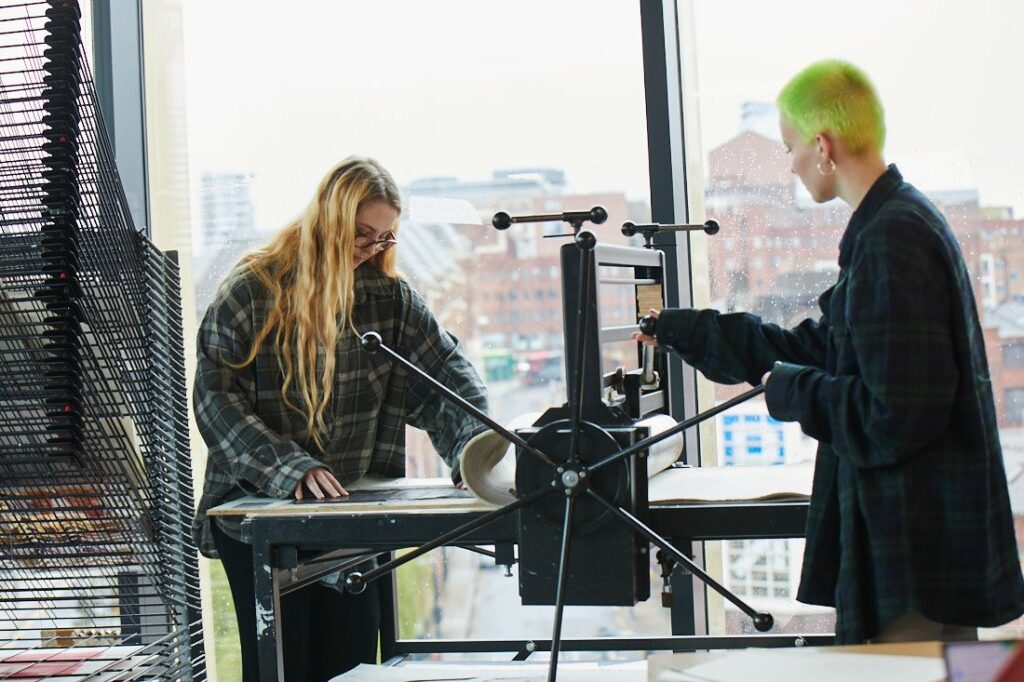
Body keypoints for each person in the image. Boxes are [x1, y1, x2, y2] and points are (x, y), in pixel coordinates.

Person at [635, 60, 1024, 644]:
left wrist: (790, 390)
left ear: (822, 146)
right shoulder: (891, 226)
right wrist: (682, 330)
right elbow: (816, 348)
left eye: (791, 146)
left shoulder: (892, 238)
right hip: (920, 546)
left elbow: (895, 415)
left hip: (913, 555)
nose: (789, 163)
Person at [191, 157, 488, 681]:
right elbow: (215, 401)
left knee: (353, 665)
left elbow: (446, 377)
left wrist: (476, 452)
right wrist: (291, 469)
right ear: (329, 217)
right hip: (262, 520)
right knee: (284, 669)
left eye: (383, 238)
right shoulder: (252, 290)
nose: (370, 248)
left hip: (348, 514)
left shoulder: (388, 300)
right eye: (361, 233)